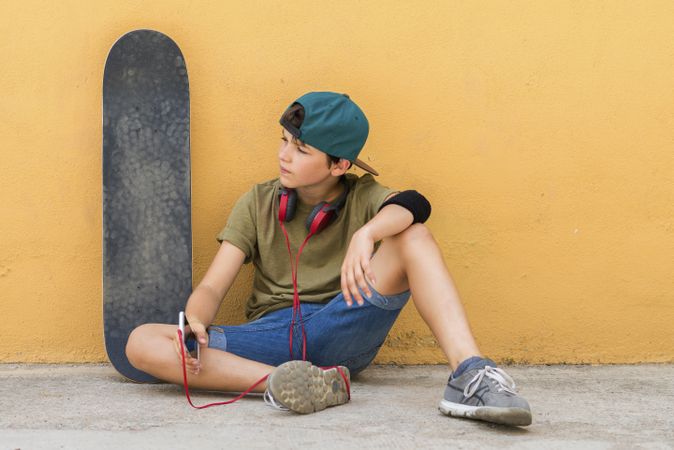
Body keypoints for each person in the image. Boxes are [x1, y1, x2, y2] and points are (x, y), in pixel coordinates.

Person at [126, 91, 532, 426]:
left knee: (414, 235)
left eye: (301, 149)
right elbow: (214, 285)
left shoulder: (363, 196)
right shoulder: (257, 201)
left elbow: (415, 203)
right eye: (284, 140)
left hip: (344, 322)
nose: (285, 155)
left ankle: (470, 373)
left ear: (339, 164)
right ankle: (299, 384)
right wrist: (195, 320)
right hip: (271, 336)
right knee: (142, 343)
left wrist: (367, 233)